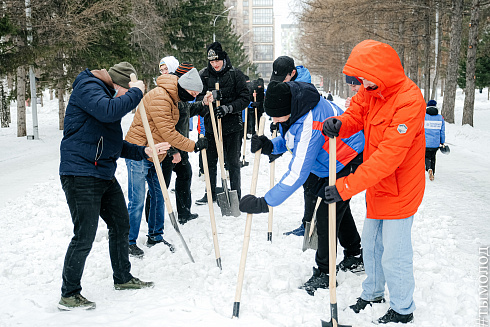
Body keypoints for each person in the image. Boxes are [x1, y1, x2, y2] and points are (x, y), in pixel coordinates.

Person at [321, 40, 426, 324]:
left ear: (378, 73)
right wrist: (340, 123)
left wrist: (345, 188)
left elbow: (388, 158)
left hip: (401, 189)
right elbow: (356, 113)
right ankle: (373, 292)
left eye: (363, 77)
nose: (359, 84)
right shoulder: (372, 91)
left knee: (395, 253)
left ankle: (403, 308)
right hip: (378, 185)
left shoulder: (409, 100)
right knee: (371, 243)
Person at [238, 80, 365, 296]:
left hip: (348, 157)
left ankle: (325, 273)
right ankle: (354, 255)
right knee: (337, 208)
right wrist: (271, 145)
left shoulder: (310, 122)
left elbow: (297, 173)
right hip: (328, 160)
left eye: (277, 116)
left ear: (288, 110)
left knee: (327, 213)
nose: (274, 120)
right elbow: (292, 140)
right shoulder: (295, 105)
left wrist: (265, 203)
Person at [58, 62, 168, 310]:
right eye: (124, 93)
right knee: (84, 234)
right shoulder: (88, 87)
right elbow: (109, 111)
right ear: (117, 85)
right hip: (80, 173)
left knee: (120, 224)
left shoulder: (106, 98)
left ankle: (123, 277)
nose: (125, 102)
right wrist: (136, 92)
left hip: (102, 173)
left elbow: (115, 144)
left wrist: (145, 151)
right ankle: (69, 294)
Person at [125, 65, 209, 258]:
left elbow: (170, 129)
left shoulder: (173, 97)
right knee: (137, 200)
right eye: (193, 93)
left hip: (156, 153)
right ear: (184, 88)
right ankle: (128, 241)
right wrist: (193, 146)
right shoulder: (161, 97)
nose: (193, 96)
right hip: (138, 151)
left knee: (158, 195)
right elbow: (169, 133)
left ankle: (155, 236)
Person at [194, 41, 250, 204]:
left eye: (217, 60)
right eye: (212, 61)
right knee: (210, 163)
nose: (215, 64)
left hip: (232, 126)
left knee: (232, 163)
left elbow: (245, 98)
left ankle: (235, 194)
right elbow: (197, 98)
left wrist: (228, 108)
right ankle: (210, 193)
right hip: (212, 126)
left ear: (223, 59)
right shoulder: (204, 75)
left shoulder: (235, 74)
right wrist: (207, 102)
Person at [424, 99, 445, 181]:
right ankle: (433, 170)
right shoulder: (440, 118)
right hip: (435, 142)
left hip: (425, 142)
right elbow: (442, 131)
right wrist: (442, 141)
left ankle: (429, 168)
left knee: (426, 156)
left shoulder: (424, 116)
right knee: (433, 156)